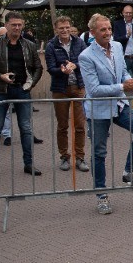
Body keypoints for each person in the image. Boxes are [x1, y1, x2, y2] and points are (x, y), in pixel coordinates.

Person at [78, 13, 133, 215]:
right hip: (99, 110)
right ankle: (101, 196)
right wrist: (122, 85)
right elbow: (93, 90)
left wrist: (132, 82)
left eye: (109, 28)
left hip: (119, 104)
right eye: (103, 29)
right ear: (92, 32)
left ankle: (128, 171)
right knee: (99, 153)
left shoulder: (118, 47)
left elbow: (124, 71)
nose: (108, 32)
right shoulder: (86, 56)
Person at [0, 11, 43, 180]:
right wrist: (0, 76)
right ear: (6, 25)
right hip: (0, 91)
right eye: (14, 24)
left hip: (22, 91)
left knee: (27, 129)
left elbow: (38, 67)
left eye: (20, 25)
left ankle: (29, 164)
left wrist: (31, 84)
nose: (17, 28)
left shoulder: (29, 45)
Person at [44, 16, 89, 172]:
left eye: (67, 27)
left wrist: (75, 65)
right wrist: (62, 70)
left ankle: (80, 157)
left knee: (80, 125)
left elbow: (85, 61)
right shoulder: (51, 46)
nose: (64, 30)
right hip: (60, 89)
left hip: (78, 86)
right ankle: (64, 156)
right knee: (62, 126)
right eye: (61, 28)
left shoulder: (79, 42)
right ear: (56, 29)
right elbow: (50, 68)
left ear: (71, 27)